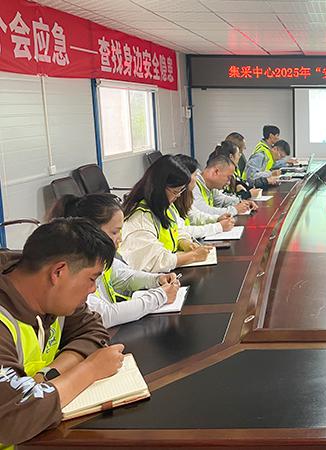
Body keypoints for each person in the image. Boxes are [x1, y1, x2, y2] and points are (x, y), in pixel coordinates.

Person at [0, 218, 124, 445]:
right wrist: (89, 370)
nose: (93, 289)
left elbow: (94, 331)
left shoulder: (54, 300)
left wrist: (48, 375)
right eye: (91, 278)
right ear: (58, 272)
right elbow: (8, 419)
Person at [48, 194, 181, 328]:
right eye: (114, 232)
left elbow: (124, 276)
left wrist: (156, 280)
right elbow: (104, 315)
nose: (120, 239)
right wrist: (159, 296)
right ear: (92, 230)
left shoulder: (100, 258)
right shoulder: (75, 266)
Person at [120, 155, 212, 272]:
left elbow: (177, 229)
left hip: (167, 273)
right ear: (159, 188)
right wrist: (193, 256)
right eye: (175, 191)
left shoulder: (165, 206)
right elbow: (153, 261)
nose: (178, 196)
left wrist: (185, 242)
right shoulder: (140, 219)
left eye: (181, 191)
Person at [172, 154, 237, 239]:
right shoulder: (172, 200)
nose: (196, 178)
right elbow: (181, 231)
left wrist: (217, 219)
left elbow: (194, 215)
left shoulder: (183, 196)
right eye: (195, 175)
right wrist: (218, 227)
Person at [194, 153, 255, 218]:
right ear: (216, 172)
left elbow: (222, 200)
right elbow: (204, 212)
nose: (228, 183)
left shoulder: (210, 186)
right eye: (228, 177)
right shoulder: (193, 186)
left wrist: (242, 203)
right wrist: (235, 210)